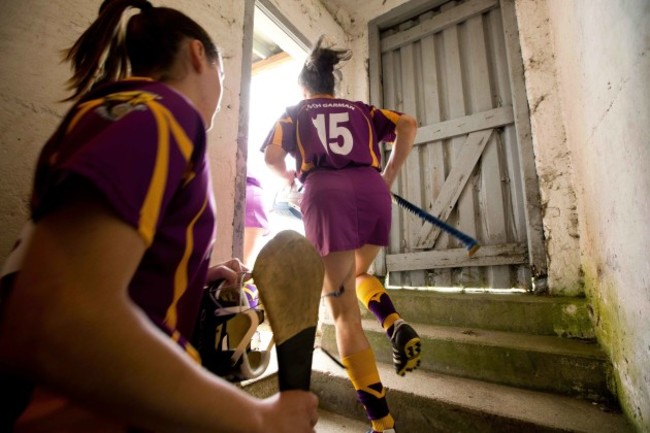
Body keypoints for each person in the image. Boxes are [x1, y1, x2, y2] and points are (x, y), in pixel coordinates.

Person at [0, 1, 318, 432]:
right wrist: (259, 418)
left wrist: (200, 275)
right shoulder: (166, 116)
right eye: (221, 74)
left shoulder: (103, 113)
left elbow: (84, 263)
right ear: (195, 56)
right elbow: (58, 320)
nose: (221, 96)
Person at [262, 36, 420, 433]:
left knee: (343, 312)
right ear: (331, 85)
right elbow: (408, 123)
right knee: (358, 273)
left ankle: (383, 423)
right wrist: (387, 176)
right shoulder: (361, 110)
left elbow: (271, 156)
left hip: (325, 194)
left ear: (304, 88)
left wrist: (290, 178)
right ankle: (393, 322)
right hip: (370, 191)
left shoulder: (295, 111)